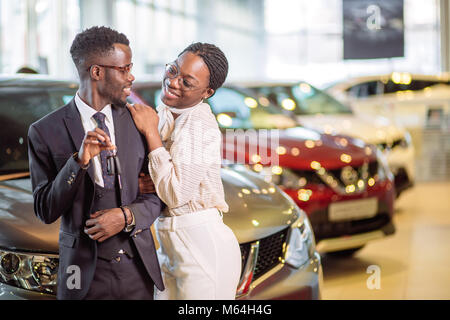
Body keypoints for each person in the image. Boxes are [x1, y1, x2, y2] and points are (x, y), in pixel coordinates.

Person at [27, 26, 164, 300]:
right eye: (124, 69)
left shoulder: (140, 122)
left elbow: (159, 195)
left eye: (130, 67)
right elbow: (45, 210)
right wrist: (78, 162)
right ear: (97, 72)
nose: (131, 76)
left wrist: (126, 217)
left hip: (137, 271)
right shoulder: (44, 131)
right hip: (81, 276)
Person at [128, 42, 241, 300]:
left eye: (187, 82)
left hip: (201, 243)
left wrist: (151, 133)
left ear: (207, 92)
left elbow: (176, 193)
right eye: (173, 70)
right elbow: (153, 179)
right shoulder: (167, 113)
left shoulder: (199, 123)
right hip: (169, 242)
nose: (173, 82)